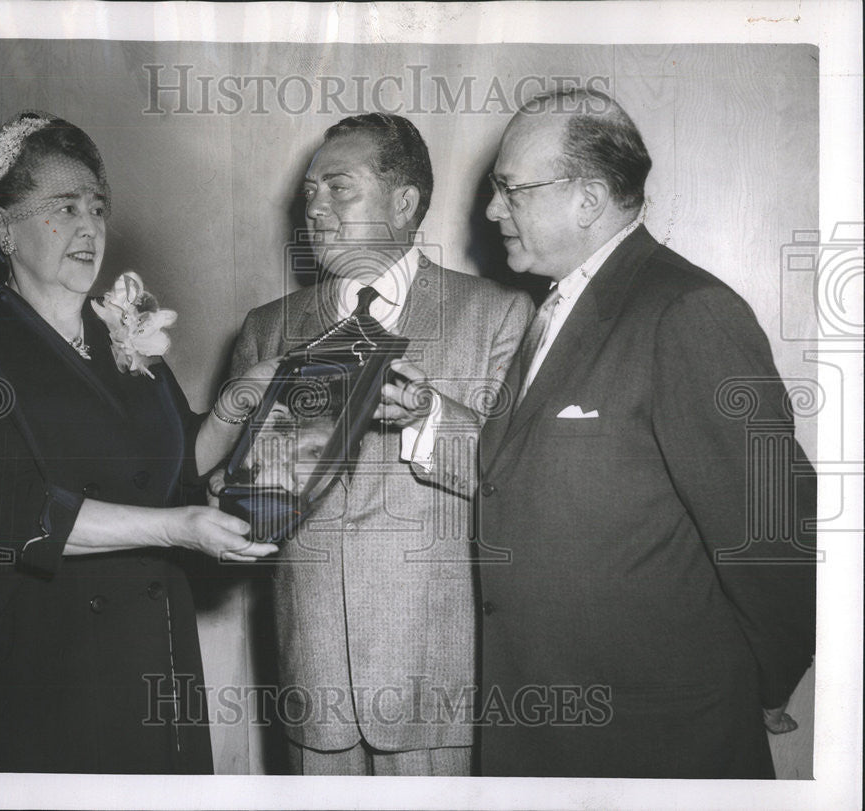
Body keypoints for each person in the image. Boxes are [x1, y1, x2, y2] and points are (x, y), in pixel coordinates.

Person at [0, 111, 278, 773]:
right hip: (48, 666)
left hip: (155, 654)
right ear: (3, 228)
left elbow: (179, 466)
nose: (89, 225)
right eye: (64, 206)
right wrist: (176, 529)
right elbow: (2, 509)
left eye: (97, 206)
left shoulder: (124, 336)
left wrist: (238, 399)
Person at [466, 88, 816, 777]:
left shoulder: (688, 312)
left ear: (588, 199)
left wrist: (758, 683)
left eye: (510, 189)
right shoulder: (559, 305)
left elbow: (776, 538)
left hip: (657, 744)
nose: (490, 211)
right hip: (550, 734)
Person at [222, 113, 531, 775]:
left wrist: (428, 416)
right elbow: (235, 502)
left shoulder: (498, 315)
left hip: (438, 685)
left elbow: (522, 487)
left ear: (404, 201)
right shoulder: (265, 330)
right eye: (309, 192)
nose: (316, 209)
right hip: (313, 684)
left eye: (339, 188)